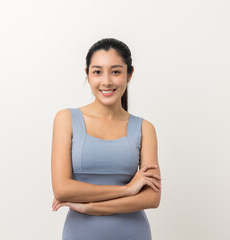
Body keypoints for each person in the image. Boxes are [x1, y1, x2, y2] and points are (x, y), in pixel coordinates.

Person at [51, 38, 161, 240]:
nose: (106, 81)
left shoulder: (145, 129)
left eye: (116, 71)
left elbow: (152, 197)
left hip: (133, 233)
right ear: (87, 74)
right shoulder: (66, 119)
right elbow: (62, 189)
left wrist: (91, 208)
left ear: (130, 74)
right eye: (97, 71)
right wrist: (127, 189)